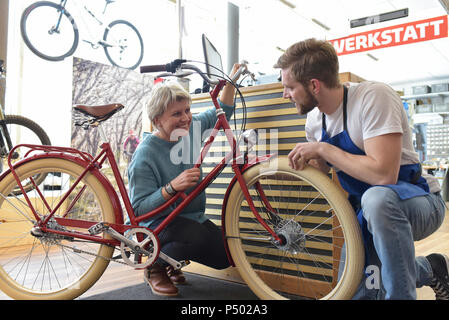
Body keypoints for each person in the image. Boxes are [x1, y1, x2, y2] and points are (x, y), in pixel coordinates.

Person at [274, 38, 449, 300]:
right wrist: (314, 165)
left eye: (289, 87)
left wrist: (324, 149)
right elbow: (331, 173)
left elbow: (383, 176)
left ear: (314, 85)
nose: (284, 94)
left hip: (418, 202)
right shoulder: (313, 120)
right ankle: (432, 268)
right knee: (358, 287)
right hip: (365, 213)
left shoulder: (373, 97)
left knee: (376, 199)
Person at [127, 64, 241, 297]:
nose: (186, 118)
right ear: (158, 120)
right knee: (196, 237)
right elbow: (137, 210)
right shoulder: (145, 153)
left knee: (225, 254)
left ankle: (171, 262)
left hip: (190, 220)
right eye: (177, 114)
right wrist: (171, 188)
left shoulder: (190, 129)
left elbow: (223, 111)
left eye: (187, 110)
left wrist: (230, 81)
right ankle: (154, 268)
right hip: (158, 226)